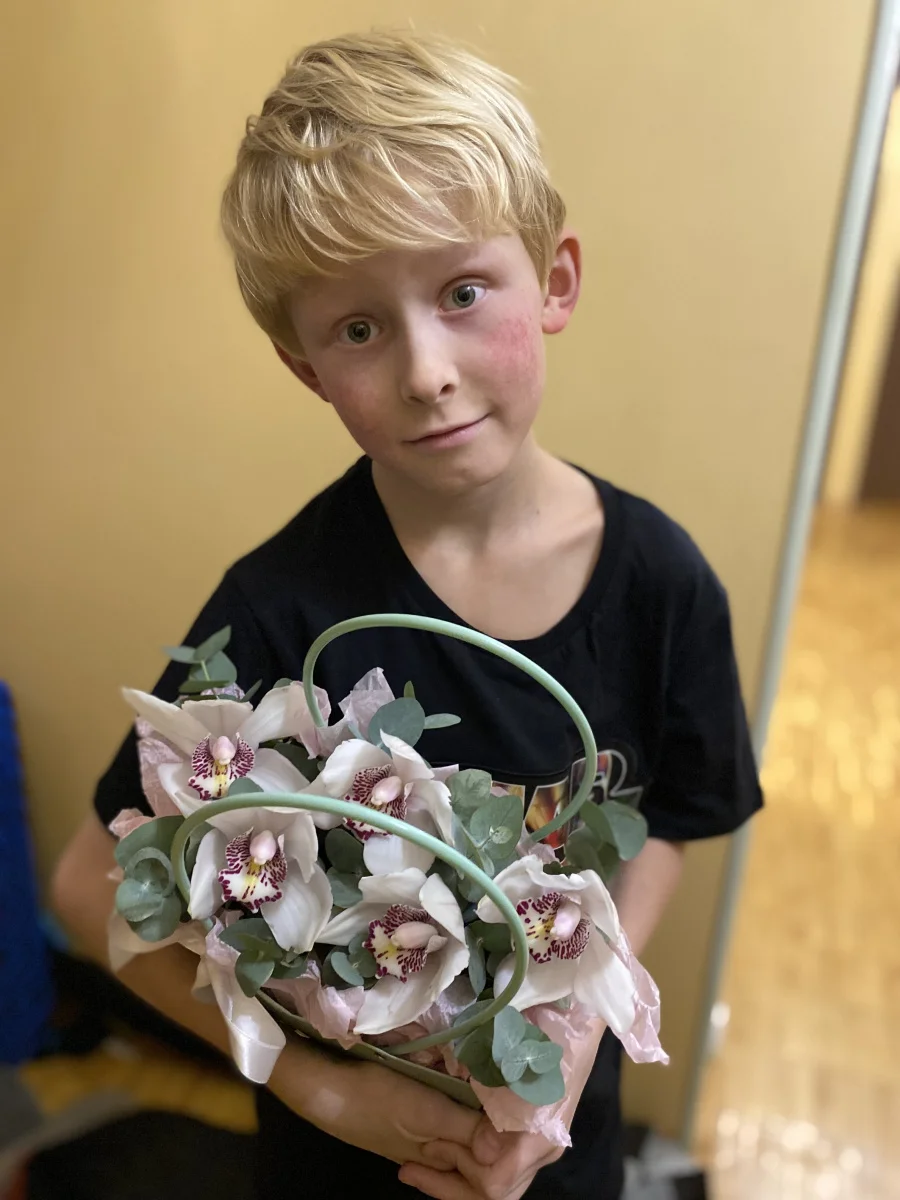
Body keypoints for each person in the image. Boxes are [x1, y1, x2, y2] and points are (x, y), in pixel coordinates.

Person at [51, 29, 762, 1200]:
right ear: (307, 369)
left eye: (463, 293)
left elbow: (674, 814)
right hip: (338, 1167)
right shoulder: (278, 609)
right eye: (360, 329)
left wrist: (580, 1020)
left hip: (558, 1145)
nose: (426, 371)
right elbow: (89, 887)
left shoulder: (662, 585)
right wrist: (319, 1090)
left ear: (557, 282)